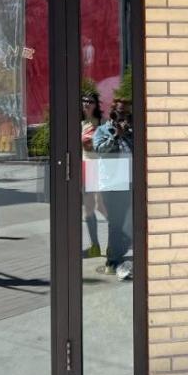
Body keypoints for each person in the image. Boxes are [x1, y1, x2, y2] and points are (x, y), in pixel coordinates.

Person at [93, 70, 133, 278]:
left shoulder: (132, 131)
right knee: (115, 222)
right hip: (112, 184)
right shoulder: (103, 131)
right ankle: (113, 260)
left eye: (126, 114)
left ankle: (120, 254)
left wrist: (128, 132)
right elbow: (101, 150)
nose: (122, 117)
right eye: (118, 112)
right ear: (111, 112)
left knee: (128, 222)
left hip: (130, 182)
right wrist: (117, 135)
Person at [81, 82, 104, 259]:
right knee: (88, 209)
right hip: (84, 167)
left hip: (98, 167)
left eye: (90, 101)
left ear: (96, 105)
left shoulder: (101, 123)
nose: (86, 104)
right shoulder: (80, 123)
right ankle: (95, 245)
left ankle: (120, 237)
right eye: (84, 101)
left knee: (101, 206)